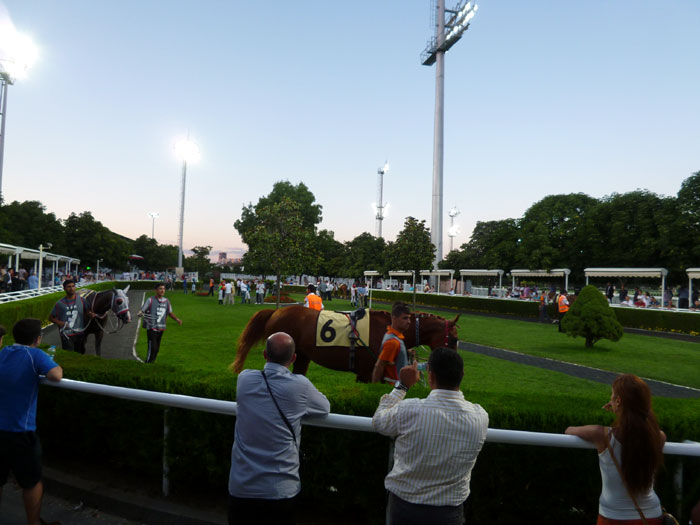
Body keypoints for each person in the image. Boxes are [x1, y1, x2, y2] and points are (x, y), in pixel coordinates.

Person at [373, 347, 489, 525]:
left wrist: (402, 386)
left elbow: (379, 422)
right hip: (449, 512)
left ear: (431, 375)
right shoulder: (480, 416)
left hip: (404, 508)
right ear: (462, 374)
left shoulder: (410, 409)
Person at [228, 332, 330, 525]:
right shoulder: (300, 385)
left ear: (265, 355)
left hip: (241, 487)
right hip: (280, 491)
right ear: (293, 359)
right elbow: (325, 408)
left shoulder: (244, 379)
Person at [566, 374, 666, 524]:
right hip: (652, 515)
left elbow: (569, 430)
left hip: (613, 518)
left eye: (613, 396)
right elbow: (642, 419)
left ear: (619, 401)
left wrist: (617, 407)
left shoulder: (600, 435)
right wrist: (621, 406)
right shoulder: (659, 437)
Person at [0, 318, 63, 525]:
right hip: (20, 432)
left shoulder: (4, 351)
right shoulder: (34, 354)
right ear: (37, 339)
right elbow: (56, 375)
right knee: (32, 482)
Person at [138, 283, 182, 363]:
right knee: (153, 347)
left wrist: (177, 319)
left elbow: (169, 313)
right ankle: (147, 363)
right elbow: (142, 310)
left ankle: (152, 363)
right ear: (156, 290)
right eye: (160, 288)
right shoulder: (150, 300)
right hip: (152, 327)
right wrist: (140, 313)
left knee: (157, 349)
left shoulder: (167, 301)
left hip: (161, 328)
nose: (162, 290)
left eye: (163, 289)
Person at [49, 278, 93, 354]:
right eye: (69, 287)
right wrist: (59, 323)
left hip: (80, 333)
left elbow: (87, 311)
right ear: (64, 289)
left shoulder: (82, 300)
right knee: (68, 355)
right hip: (66, 334)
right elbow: (51, 318)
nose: (71, 288)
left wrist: (90, 314)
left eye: (73, 286)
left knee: (80, 355)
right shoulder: (59, 303)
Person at [372, 302, 412, 384]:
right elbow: (379, 366)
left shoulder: (393, 336)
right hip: (394, 389)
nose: (409, 322)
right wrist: (375, 387)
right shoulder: (393, 342)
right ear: (394, 319)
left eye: (409, 318)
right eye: (405, 318)